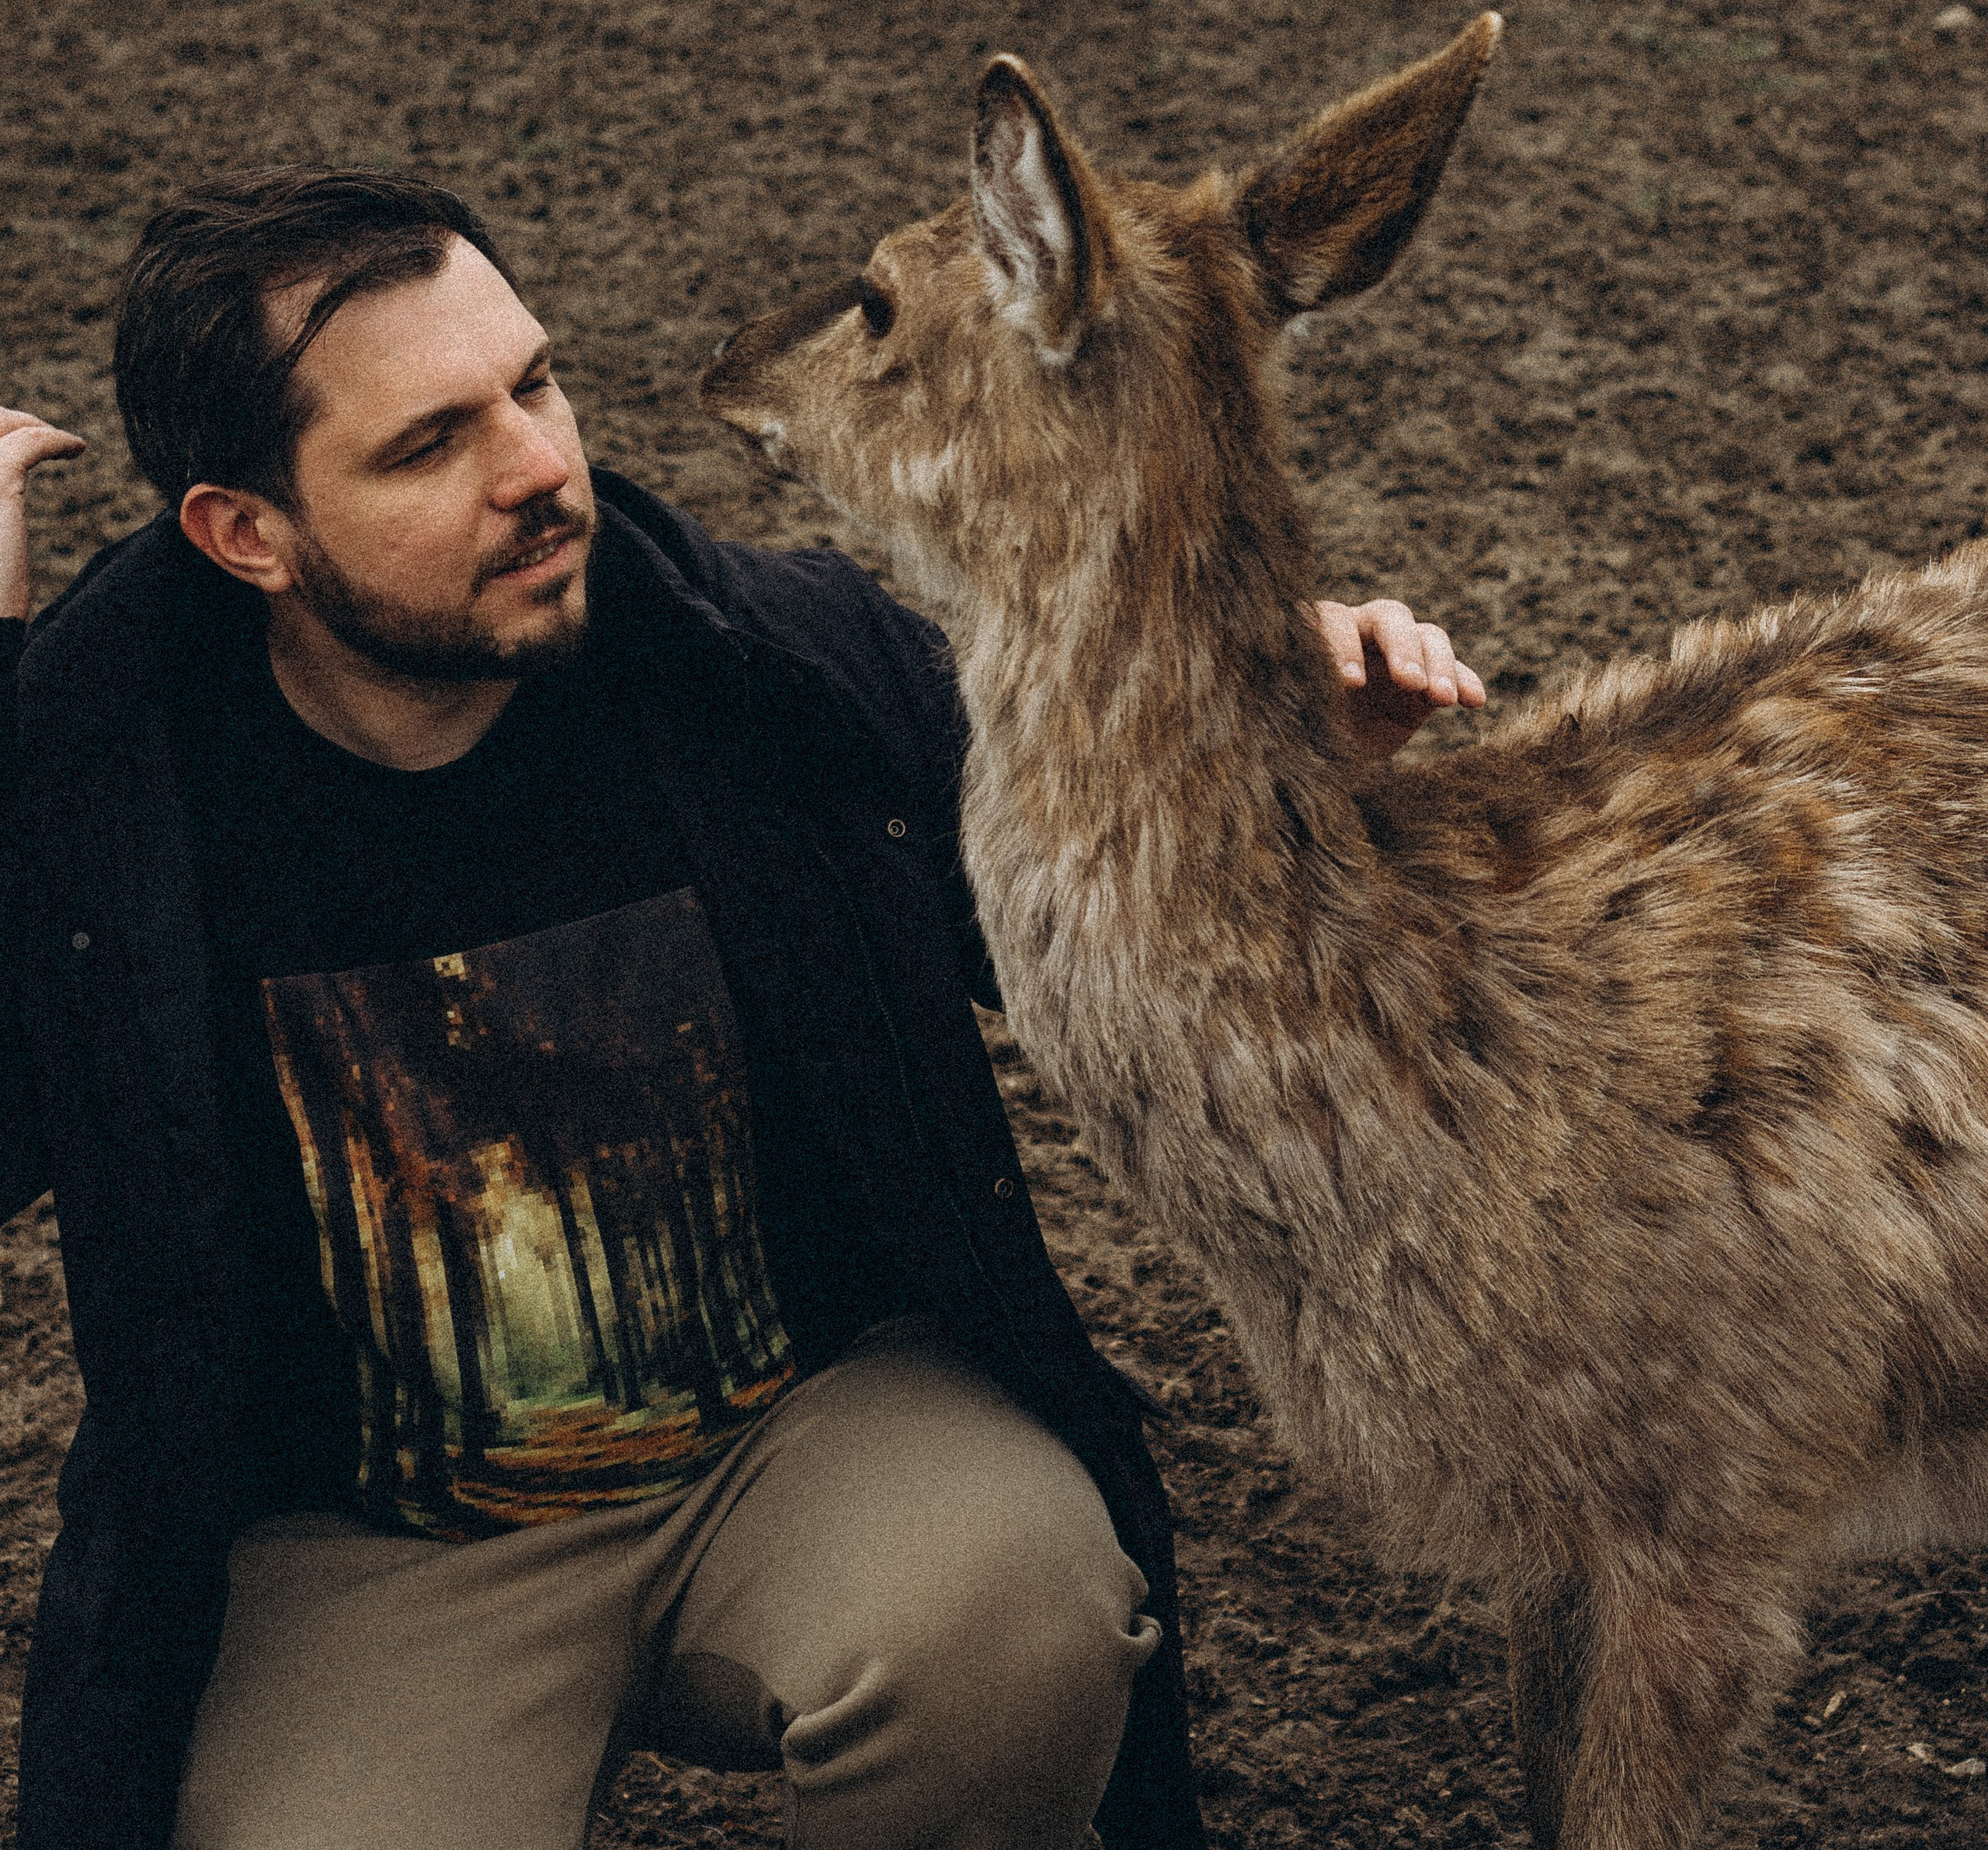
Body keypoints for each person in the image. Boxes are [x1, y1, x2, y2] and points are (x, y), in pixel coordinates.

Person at [0, 170, 1485, 1850]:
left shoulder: (783, 677)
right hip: (375, 1549)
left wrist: (1275, 784)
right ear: (244, 534)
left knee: (1024, 1624)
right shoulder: (106, 803)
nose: (539, 468)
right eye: (428, 447)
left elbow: (1105, 959)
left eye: (534, 384)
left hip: (806, 1436)